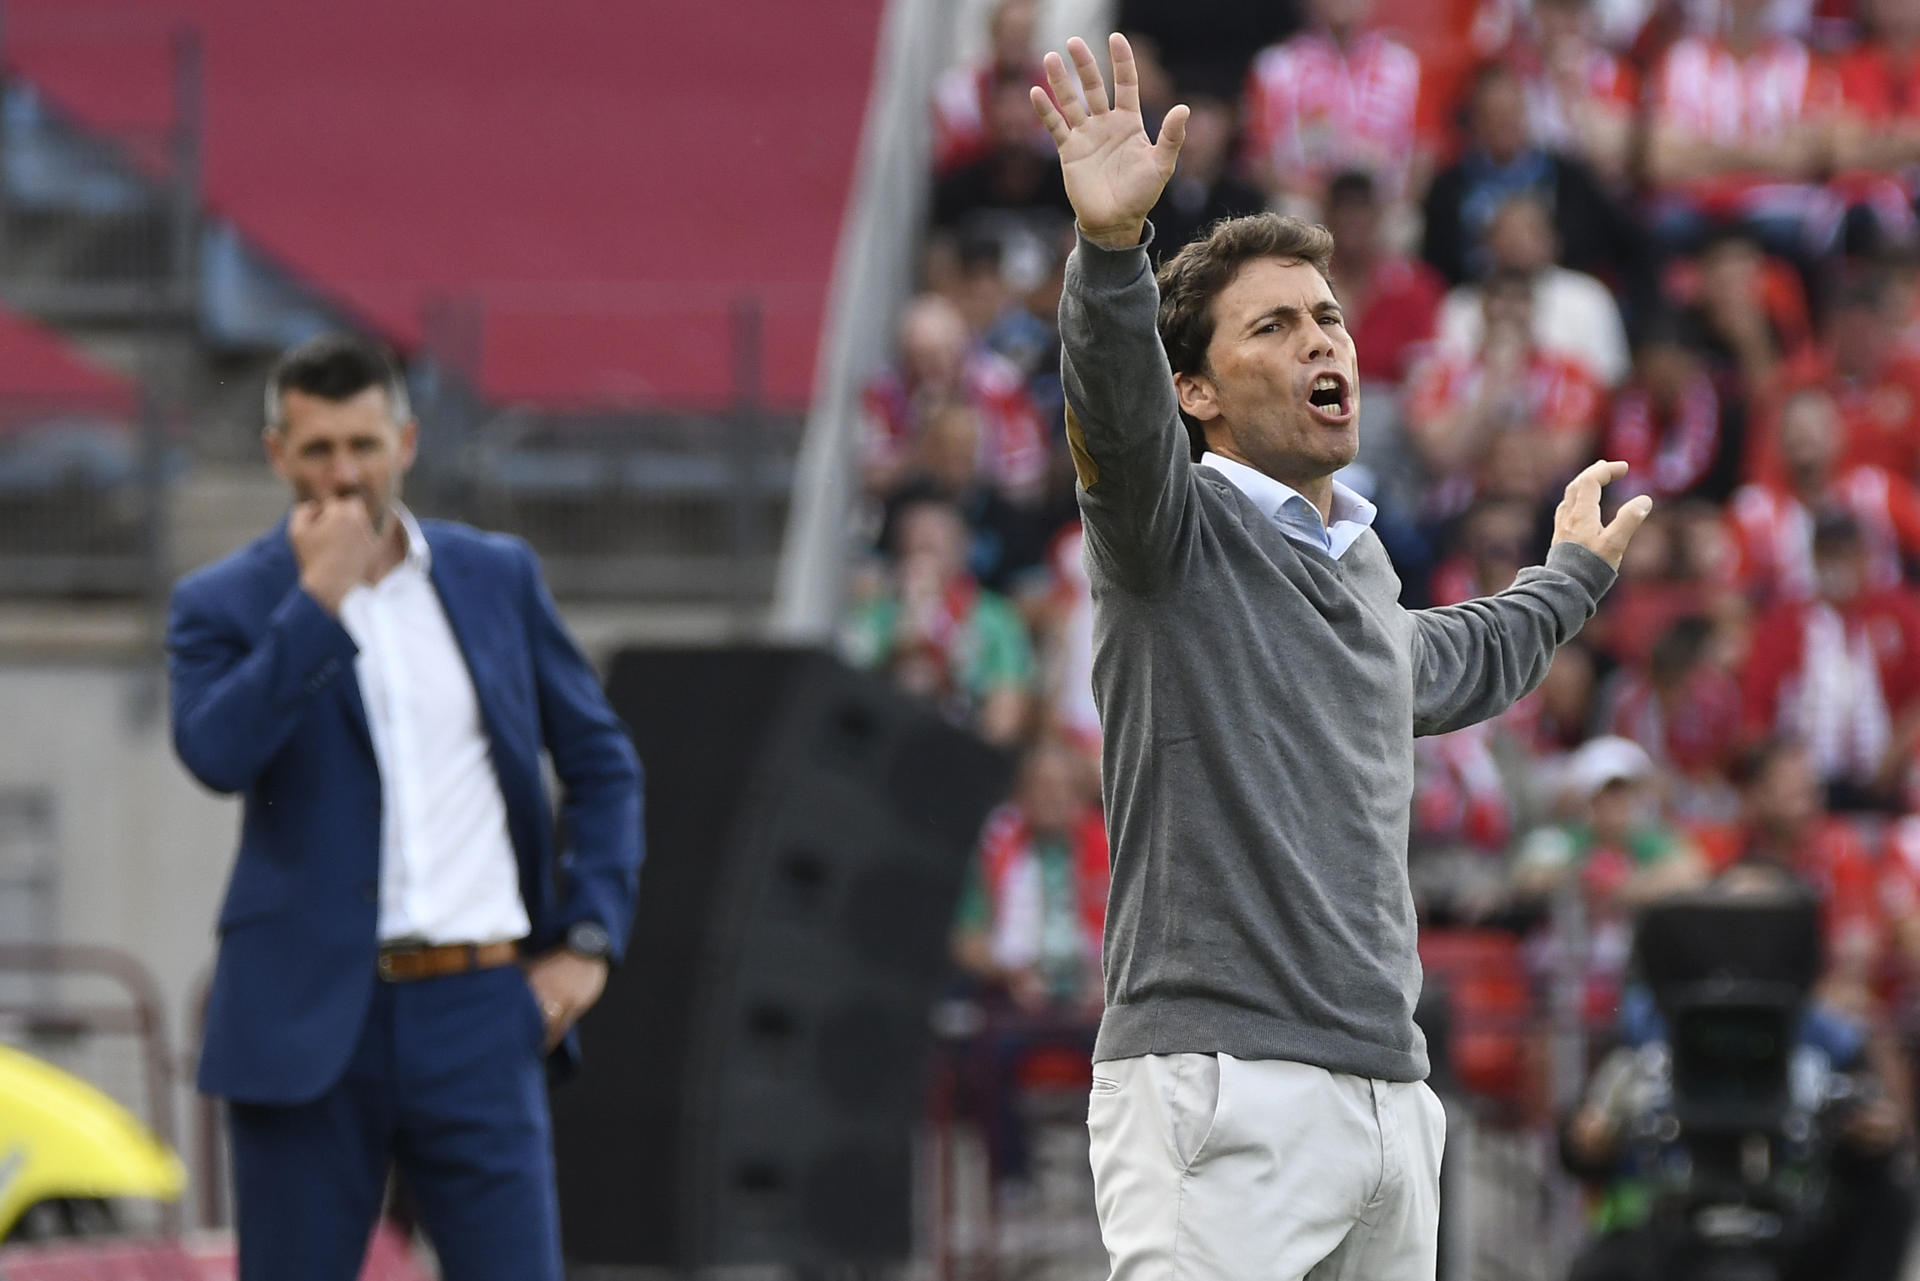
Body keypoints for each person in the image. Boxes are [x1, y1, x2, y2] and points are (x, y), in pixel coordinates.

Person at [1028, 33, 1650, 1278]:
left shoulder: (1358, 567)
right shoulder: (1170, 532)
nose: (1325, 342)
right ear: (1194, 394)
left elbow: (1446, 663)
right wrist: (1110, 257)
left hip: (1386, 1093)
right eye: (1275, 327)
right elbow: (1112, 407)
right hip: (1221, 1084)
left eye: (1328, 317)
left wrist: (1568, 580)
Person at [165, 335, 643, 1281]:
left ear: (407, 441)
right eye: (317, 450)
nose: (343, 473)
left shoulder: (495, 577)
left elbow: (602, 761)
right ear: (277, 455)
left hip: (479, 1006)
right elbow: (216, 754)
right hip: (305, 1019)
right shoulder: (222, 602)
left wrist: (591, 937)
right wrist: (318, 601)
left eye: (363, 445)